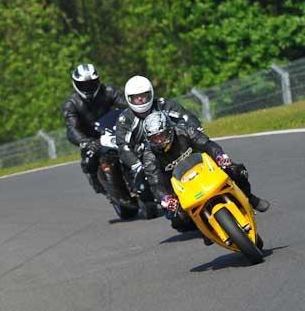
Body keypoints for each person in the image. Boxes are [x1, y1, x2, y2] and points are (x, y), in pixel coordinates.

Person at [140, 111, 270, 235]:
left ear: (169, 130)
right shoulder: (149, 155)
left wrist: (219, 156)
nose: (159, 141)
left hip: (205, 168)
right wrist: (166, 198)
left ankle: (250, 198)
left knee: (236, 171)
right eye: (154, 138)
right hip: (179, 187)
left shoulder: (184, 130)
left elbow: (207, 144)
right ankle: (205, 229)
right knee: (177, 219)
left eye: (161, 135)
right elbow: (155, 182)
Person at [115, 75, 202, 189]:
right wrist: (136, 164)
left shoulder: (163, 104)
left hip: (177, 148)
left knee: (216, 159)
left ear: (150, 94)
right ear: (129, 98)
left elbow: (186, 116)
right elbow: (123, 146)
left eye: (143, 95)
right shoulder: (125, 120)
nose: (140, 99)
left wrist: (197, 130)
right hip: (151, 160)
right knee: (143, 188)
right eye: (136, 97)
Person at [62, 63, 129, 195]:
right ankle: (96, 181)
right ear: (76, 84)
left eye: (91, 83)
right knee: (88, 162)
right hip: (91, 139)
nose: (88, 87)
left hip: (113, 131)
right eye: (83, 85)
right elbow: (72, 127)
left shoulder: (109, 91)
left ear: (98, 81)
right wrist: (84, 141)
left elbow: (126, 104)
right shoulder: (71, 104)